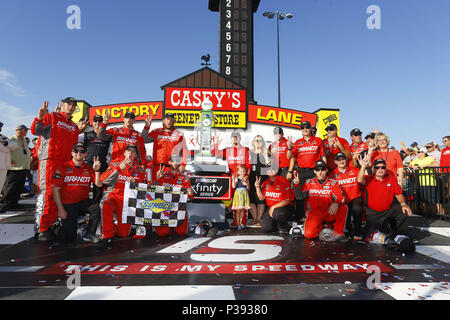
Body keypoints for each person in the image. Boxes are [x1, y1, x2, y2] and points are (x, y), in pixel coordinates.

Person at [31, 98, 89, 241]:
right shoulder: (52, 116)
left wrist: (80, 130)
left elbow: (75, 147)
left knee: (59, 194)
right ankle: (41, 228)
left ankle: (50, 224)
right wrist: (39, 117)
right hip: (50, 160)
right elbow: (35, 131)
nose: (71, 107)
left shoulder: (74, 127)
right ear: (62, 105)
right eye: (68, 104)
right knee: (47, 194)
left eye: (73, 106)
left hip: (65, 164)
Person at [357, 155, 414, 246]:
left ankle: (400, 236)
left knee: (404, 211)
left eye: (383, 167)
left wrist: (403, 204)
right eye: (377, 167)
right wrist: (363, 166)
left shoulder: (390, 179)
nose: (380, 169)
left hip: (388, 209)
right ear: (373, 169)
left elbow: (398, 193)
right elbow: (360, 180)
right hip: (373, 213)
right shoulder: (368, 179)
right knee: (370, 234)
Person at [52, 143, 102, 244]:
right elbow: (55, 189)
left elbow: (98, 184)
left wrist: (97, 171)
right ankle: (55, 226)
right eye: (76, 151)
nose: (79, 153)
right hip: (68, 204)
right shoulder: (63, 167)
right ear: (72, 153)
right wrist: (61, 209)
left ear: (85, 155)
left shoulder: (88, 168)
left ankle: (89, 233)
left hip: (82, 202)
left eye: (82, 151)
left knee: (96, 207)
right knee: (70, 237)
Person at [98, 145, 146, 247]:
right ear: (124, 153)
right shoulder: (115, 164)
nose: (130, 153)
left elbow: (143, 189)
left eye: (133, 152)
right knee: (106, 204)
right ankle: (107, 235)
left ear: (136, 155)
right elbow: (104, 180)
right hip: (113, 195)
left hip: (127, 200)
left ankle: (109, 226)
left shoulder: (140, 170)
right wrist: (118, 169)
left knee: (123, 234)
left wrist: (134, 183)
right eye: (128, 151)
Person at [294, 160, 348, 242]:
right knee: (309, 235)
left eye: (322, 169)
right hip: (314, 213)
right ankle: (323, 227)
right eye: (318, 170)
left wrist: (337, 203)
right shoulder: (309, 183)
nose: (320, 172)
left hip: (328, 211)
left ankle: (338, 233)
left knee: (343, 207)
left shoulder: (333, 183)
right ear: (314, 171)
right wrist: (297, 185)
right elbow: (299, 197)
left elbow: (341, 197)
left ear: (326, 170)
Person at [287, 120, 326, 222]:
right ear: (301, 130)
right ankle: (300, 219)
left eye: (307, 127)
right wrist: (289, 148)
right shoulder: (298, 142)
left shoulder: (318, 140)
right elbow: (289, 157)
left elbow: (323, 156)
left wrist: (325, 169)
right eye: (302, 128)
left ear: (310, 128)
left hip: (315, 171)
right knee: (300, 196)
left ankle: (316, 218)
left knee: (315, 195)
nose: (305, 129)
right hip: (301, 172)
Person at [154, 154, 194, 237]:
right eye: (173, 160)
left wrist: (191, 193)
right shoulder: (162, 175)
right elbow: (151, 191)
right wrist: (157, 180)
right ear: (169, 162)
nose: (175, 162)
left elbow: (190, 197)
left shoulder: (185, 178)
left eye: (177, 160)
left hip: (178, 209)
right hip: (164, 209)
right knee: (161, 233)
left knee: (182, 232)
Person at [143, 113, 188, 181]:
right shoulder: (157, 132)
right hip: (157, 167)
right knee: (155, 189)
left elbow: (184, 150)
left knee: (169, 189)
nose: (169, 121)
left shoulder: (179, 134)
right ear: (163, 121)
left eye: (171, 119)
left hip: (172, 168)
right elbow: (144, 139)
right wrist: (146, 127)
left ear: (174, 121)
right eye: (167, 119)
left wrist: (183, 165)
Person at [328, 152, 364, 240]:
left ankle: (357, 232)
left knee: (357, 209)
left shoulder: (354, 170)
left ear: (346, 160)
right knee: (345, 214)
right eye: (338, 160)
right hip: (342, 199)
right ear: (335, 162)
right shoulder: (332, 174)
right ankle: (348, 230)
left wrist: (364, 167)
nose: (341, 161)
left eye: (343, 159)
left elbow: (362, 182)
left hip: (355, 197)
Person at [0, 125, 31, 213]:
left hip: (23, 167)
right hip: (14, 168)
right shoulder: (11, 140)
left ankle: (14, 203)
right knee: (9, 187)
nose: (26, 132)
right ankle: (4, 204)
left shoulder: (24, 140)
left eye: (26, 130)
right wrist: (8, 160)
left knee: (19, 187)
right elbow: (4, 150)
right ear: (18, 130)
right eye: (25, 130)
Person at [255, 167, 295, 234]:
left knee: (277, 213)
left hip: (285, 207)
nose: (271, 171)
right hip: (271, 207)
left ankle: (284, 227)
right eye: (269, 170)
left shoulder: (284, 181)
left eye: (273, 169)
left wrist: (273, 207)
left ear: (276, 171)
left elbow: (288, 200)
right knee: (266, 229)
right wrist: (257, 188)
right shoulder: (265, 182)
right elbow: (261, 198)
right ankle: (276, 225)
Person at [83, 114, 112, 203]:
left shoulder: (107, 135)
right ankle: (83, 211)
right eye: (95, 121)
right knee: (84, 188)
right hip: (88, 164)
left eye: (100, 121)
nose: (97, 123)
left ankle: (96, 209)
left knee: (98, 189)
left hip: (101, 165)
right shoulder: (86, 135)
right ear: (92, 123)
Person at [409, 147, 442, 216]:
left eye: (419, 152)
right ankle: (428, 214)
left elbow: (436, 164)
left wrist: (426, 165)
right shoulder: (417, 159)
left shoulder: (429, 158)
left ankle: (441, 215)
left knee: (435, 200)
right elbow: (409, 165)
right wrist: (413, 166)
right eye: (417, 152)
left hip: (430, 183)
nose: (417, 153)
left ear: (423, 153)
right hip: (421, 183)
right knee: (425, 200)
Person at [248, 135, 269, 227]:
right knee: (251, 198)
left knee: (261, 199)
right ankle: (254, 218)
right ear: (253, 142)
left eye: (260, 140)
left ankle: (259, 219)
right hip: (251, 177)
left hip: (263, 177)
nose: (258, 142)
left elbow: (269, 164)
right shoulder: (249, 152)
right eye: (256, 140)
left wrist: (266, 156)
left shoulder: (266, 152)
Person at [0, 122, 18, 199]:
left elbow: (14, 146)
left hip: (3, 165)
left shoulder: (3, 137)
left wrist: (5, 143)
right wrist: (7, 148)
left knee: (0, 187)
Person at [231, 165, 251, 230]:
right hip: (238, 194)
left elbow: (249, 188)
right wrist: (233, 179)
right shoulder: (237, 178)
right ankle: (238, 224)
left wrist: (246, 184)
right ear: (238, 172)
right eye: (241, 171)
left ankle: (241, 222)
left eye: (244, 171)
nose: (242, 173)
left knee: (242, 210)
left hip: (244, 194)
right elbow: (233, 186)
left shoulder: (246, 179)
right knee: (238, 210)